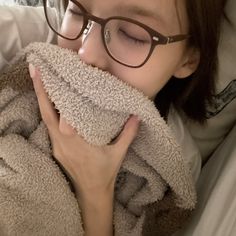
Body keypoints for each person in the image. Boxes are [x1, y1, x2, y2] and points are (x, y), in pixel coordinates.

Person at [0, 0, 228, 235]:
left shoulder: (173, 165)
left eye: (133, 34)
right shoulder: (37, 42)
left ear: (187, 59)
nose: (86, 52)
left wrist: (95, 193)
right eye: (77, 11)